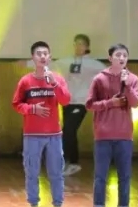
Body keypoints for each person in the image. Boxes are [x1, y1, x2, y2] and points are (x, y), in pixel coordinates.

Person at [13, 40, 72, 207]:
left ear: (50, 57)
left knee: (56, 172)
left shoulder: (57, 79)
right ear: (33, 57)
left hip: (54, 135)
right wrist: (32, 109)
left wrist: (54, 84)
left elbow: (66, 100)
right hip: (31, 135)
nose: (42, 57)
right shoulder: (25, 81)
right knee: (32, 171)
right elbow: (16, 104)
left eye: (45, 53)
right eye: (39, 54)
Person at [85, 43, 138, 207]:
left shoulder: (132, 78)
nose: (122, 58)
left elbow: (135, 103)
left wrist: (127, 86)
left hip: (124, 134)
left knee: (124, 175)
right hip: (103, 134)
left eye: (125, 55)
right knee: (100, 174)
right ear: (110, 58)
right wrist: (110, 103)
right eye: (118, 55)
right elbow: (90, 104)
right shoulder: (99, 78)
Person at [43, 33, 106, 176]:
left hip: (81, 102)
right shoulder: (67, 61)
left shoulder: (93, 64)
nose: (78, 46)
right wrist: (27, 63)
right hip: (67, 102)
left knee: (68, 130)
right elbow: (49, 64)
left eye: (81, 44)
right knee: (68, 132)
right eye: (76, 44)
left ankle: (73, 163)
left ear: (87, 47)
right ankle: (68, 162)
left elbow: (109, 73)